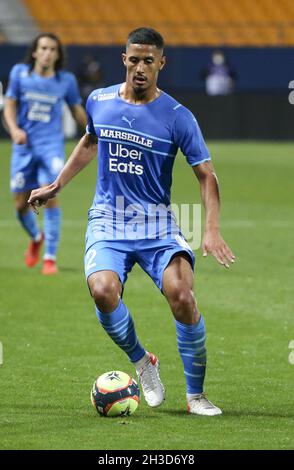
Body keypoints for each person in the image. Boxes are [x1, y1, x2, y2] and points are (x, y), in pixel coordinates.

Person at [28, 27, 235, 415]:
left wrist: (211, 229)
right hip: (109, 218)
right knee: (103, 291)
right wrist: (56, 184)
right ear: (124, 59)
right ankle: (143, 362)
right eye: (134, 59)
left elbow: (207, 175)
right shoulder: (99, 100)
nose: (141, 67)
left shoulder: (178, 117)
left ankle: (196, 396)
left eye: (149, 60)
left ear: (161, 63)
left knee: (182, 295)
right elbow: (91, 141)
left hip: (158, 222)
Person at [4, 33, 87, 274]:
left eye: (53, 49)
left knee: (49, 194)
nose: (48, 52)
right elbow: (9, 107)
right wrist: (15, 129)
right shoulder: (20, 74)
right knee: (20, 204)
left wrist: (94, 131)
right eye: (43, 48)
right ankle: (36, 236)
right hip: (24, 148)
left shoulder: (66, 81)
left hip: (51, 147)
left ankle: (50, 257)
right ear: (34, 51)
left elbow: (76, 112)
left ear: (58, 55)